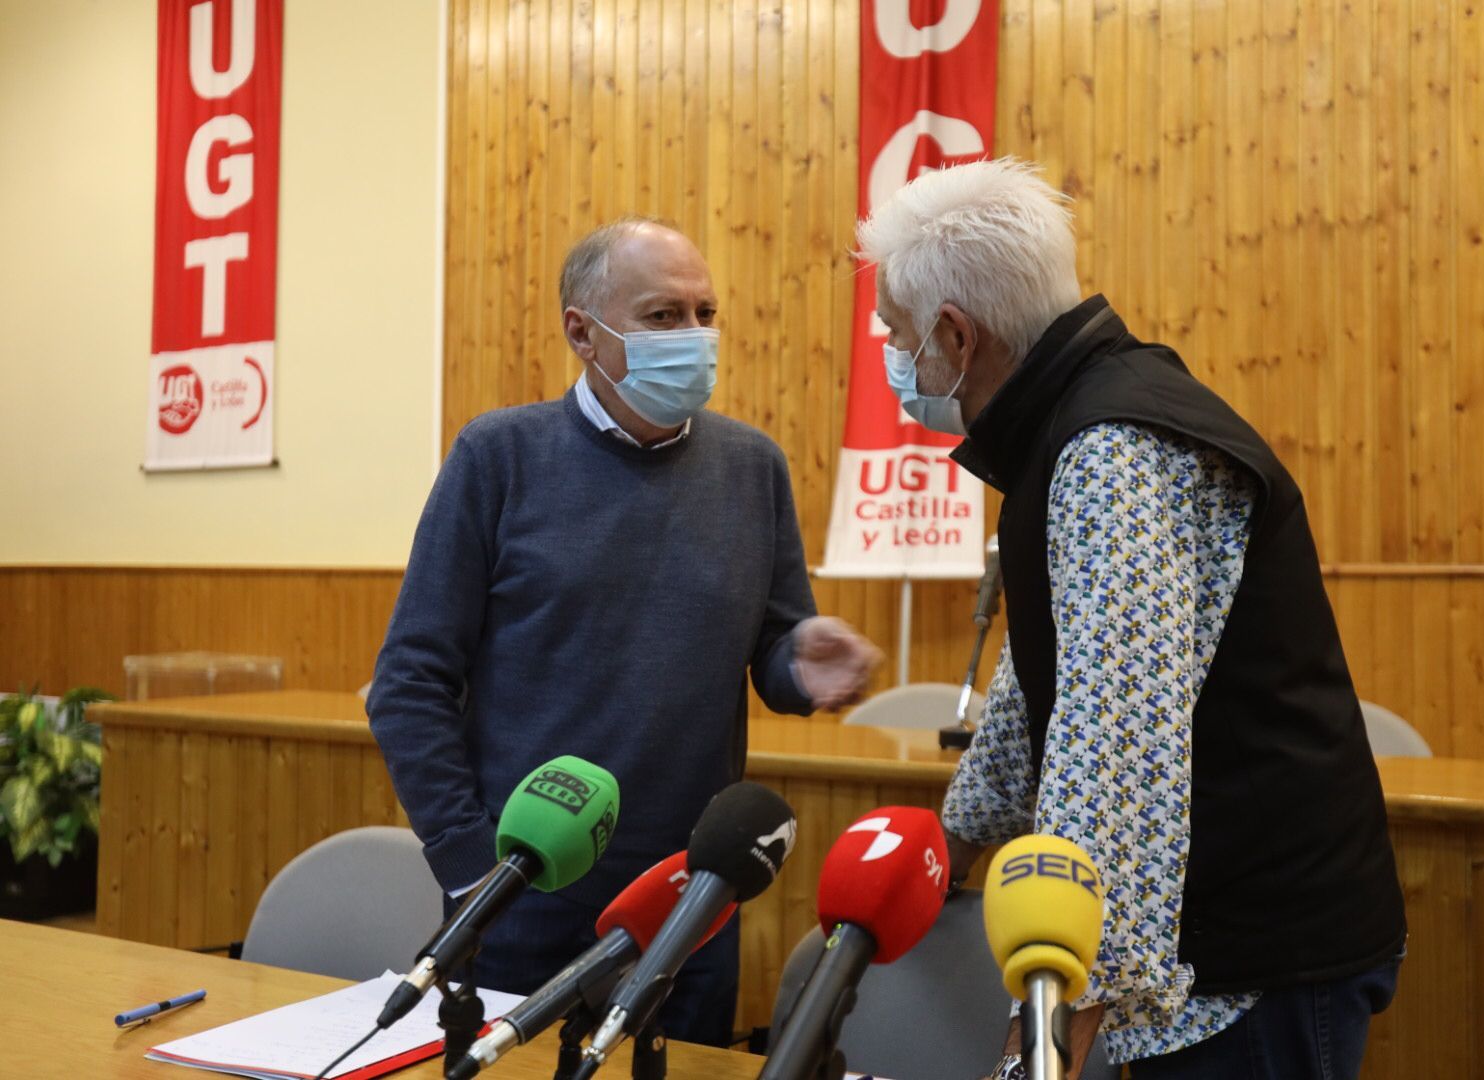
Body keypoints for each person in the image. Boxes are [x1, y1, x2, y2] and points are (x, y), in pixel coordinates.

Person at [859, 159, 1405, 1079]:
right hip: (1216, 939)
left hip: (1255, 959)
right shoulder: (1072, 420)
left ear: (955, 335)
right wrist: (958, 836)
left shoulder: (1115, 450)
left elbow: (1118, 743)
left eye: (896, 332)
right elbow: (1053, 683)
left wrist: (1060, 1008)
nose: (892, 352)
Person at [368, 216, 881, 1047]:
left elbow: (779, 658)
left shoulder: (753, 467)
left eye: (705, 313)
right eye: (663, 315)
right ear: (582, 331)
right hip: (518, 894)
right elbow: (409, 683)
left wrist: (805, 665)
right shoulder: (497, 458)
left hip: (689, 903)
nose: (695, 336)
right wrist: (471, 868)